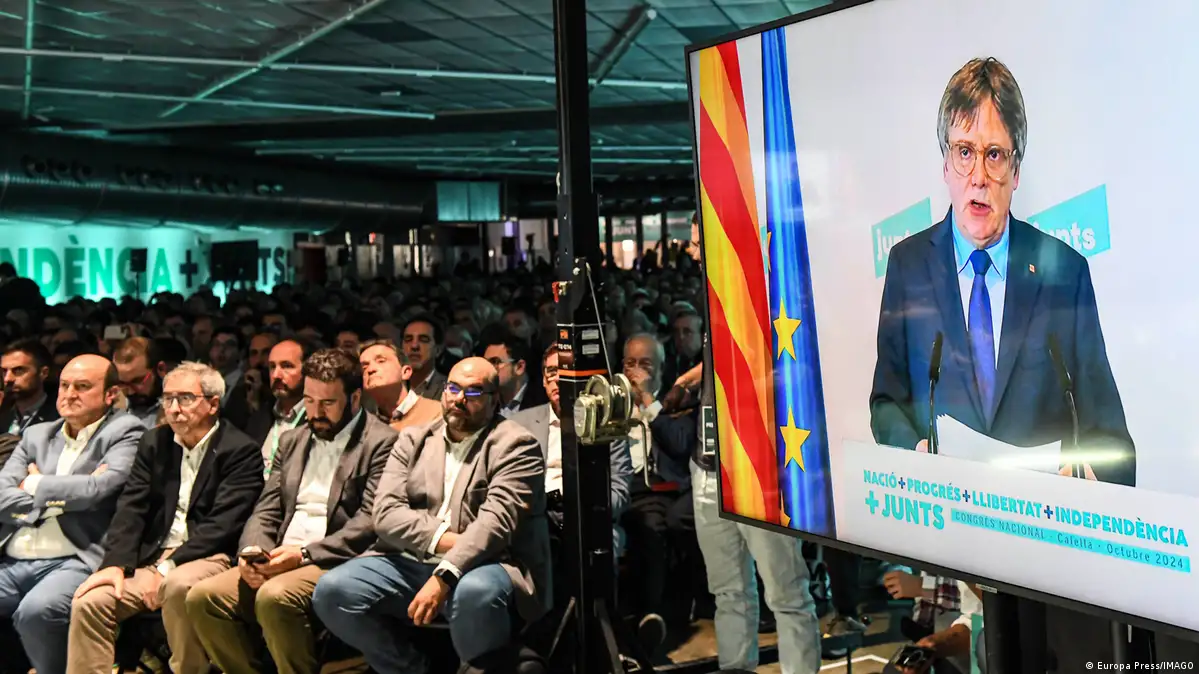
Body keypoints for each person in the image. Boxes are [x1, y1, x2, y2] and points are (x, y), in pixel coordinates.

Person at [869, 57, 1134, 486]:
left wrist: (1091, 478)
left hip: (1039, 520)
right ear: (945, 165)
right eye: (964, 152)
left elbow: (1110, 436)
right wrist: (915, 454)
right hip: (944, 515)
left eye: (994, 155)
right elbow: (886, 403)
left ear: (1015, 171)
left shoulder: (1066, 275)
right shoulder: (908, 267)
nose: (978, 177)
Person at [310, 357, 550, 673]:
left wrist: (445, 574)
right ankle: (410, 669)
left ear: (495, 400)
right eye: (453, 388)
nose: (459, 399)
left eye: (473, 392)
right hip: (412, 559)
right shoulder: (413, 439)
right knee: (332, 590)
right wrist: (446, 541)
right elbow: (386, 513)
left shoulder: (516, 444)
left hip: (487, 563)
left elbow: (495, 525)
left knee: (475, 591)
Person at [185, 348, 395, 674]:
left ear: (355, 398)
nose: (316, 412)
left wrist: (303, 555)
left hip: (335, 558)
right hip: (280, 554)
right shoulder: (292, 440)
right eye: (309, 400)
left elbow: (370, 521)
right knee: (203, 597)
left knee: (274, 596)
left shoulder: (382, 442)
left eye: (327, 403)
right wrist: (253, 551)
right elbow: (267, 508)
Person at [67, 362, 264, 674]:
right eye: (168, 398)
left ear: (213, 404)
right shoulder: (154, 442)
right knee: (91, 601)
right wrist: (115, 565)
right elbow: (131, 508)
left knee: (177, 585)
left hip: (208, 556)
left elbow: (223, 525)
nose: (173, 408)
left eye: (185, 398)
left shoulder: (240, 450)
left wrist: (165, 568)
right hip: (153, 558)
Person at [0, 354, 144, 674]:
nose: (69, 394)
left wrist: (34, 483)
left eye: (82, 386)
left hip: (75, 556)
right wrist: (62, 495)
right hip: (15, 554)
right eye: (64, 385)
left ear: (110, 394)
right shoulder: (37, 434)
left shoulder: (125, 431)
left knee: (36, 612)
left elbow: (99, 489)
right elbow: (2, 495)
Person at [358, 338, 440, 431]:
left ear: (405, 372)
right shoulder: (362, 424)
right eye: (364, 367)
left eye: (381, 361)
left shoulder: (436, 413)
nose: (370, 369)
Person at [478, 326, 548, 417]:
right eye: (486, 362)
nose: (488, 368)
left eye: (495, 362)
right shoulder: (484, 401)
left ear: (519, 367)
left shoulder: (544, 400)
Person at [0, 338, 57, 436]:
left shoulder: (59, 417)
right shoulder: (3, 413)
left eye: (18, 370)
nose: (7, 379)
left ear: (43, 373)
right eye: (4, 371)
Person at [112, 336, 167, 427]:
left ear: (161, 369)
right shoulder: (113, 408)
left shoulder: (180, 409)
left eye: (137, 381)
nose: (130, 392)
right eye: (122, 383)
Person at [402, 314, 447, 400]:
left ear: (438, 350)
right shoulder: (388, 386)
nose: (414, 346)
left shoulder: (449, 390)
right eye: (408, 339)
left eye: (423, 340)